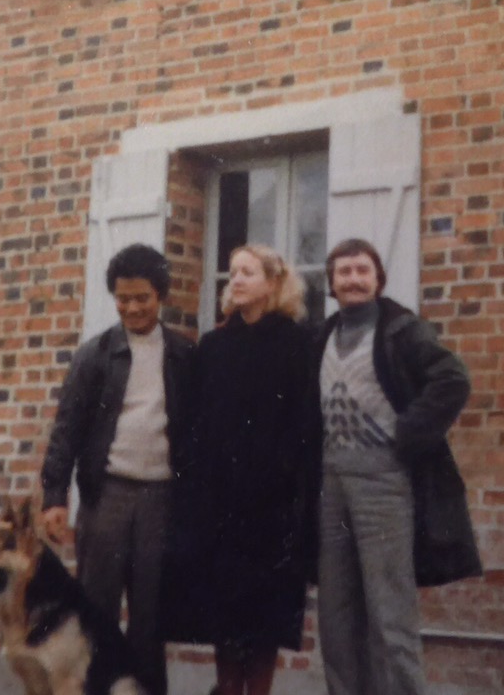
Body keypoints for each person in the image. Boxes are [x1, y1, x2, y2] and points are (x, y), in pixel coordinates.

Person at [311, 237, 482, 695]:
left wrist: (407, 433)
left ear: (378, 279)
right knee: (336, 613)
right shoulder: (321, 336)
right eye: (344, 272)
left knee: (390, 612)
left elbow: (453, 379)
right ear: (331, 283)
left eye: (362, 270)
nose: (353, 279)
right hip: (331, 482)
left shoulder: (402, 330)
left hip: (383, 481)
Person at [40, 243, 193, 695]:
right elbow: (66, 429)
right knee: (96, 613)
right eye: (123, 299)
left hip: (161, 500)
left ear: (160, 295)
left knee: (151, 619)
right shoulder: (95, 355)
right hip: (106, 496)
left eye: (142, 298)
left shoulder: (184, 355)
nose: (132, 308)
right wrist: (54, 497)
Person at [176, 244, 315, 695]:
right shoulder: (214, 346)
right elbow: (196, 422)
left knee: (264, 618)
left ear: (273, 283)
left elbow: (304, 423)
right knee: (224, 617)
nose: (235, 280)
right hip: (220, 503)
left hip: (272, 505)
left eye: (248, 273)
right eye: (233, 272)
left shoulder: (297, 344)